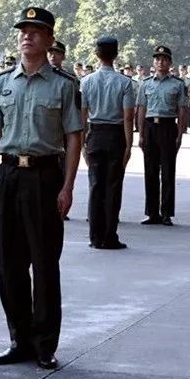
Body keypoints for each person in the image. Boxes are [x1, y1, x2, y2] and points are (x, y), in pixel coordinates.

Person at [0, 6, 82, 370]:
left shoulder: (63, 85)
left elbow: (73, 137)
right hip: (10, 175)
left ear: (50, 39)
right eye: (23, 30)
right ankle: (18, 339)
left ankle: (44, 344)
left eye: (36, 31)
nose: (27, 36)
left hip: (44, 177)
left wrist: (67, 186)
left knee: (43, 263)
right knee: (9, 264)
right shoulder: (1, 83)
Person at [78, 36, 136, 249]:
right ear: (116, 55)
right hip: (115, 136)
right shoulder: (125, 82)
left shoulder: (86, 81)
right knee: (113, 187)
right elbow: (128, 117)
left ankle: (95, 236)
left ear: (96, 54)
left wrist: (83, 143)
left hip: (95, 134)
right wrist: (129, 146)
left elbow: (82, 117)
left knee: (95, 186)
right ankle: (109, 236)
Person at [137, 45, 187, 226]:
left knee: (167, 171)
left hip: (168, 127)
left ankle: (166, 213)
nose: (160, 62)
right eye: (157, 58)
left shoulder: (177, 84)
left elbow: (182, 111)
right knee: (150, 171)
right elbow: (141, 109)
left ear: (170, 63)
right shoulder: (146, 83)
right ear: (153, 62)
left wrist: (180, 134)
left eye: (164, 59)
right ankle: (152, 213)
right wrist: (141, 133)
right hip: (150, 127)